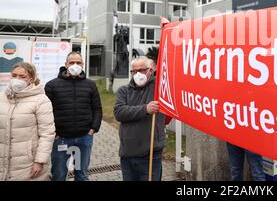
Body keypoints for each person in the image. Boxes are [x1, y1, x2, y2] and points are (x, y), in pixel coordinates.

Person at [44, 51, 102, 181]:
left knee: (82, 174)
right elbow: (45, 113)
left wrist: (93, 129)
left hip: (84, 138)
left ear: (83, 64)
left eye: (78, 62)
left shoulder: (90, 84)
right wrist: (53, 133)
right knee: (59, 174)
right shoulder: (52, 85)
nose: (75, 65)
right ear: (66, 64)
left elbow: (97, 108)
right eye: (72, 62)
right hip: (61, 139)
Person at [0, 62, 55, 181]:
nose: (16, 79)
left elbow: (47, 133)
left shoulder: (41, 100)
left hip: (27, 165)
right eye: (14, 75)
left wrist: (39, 161)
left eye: (22, 76)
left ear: (31, 78)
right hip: (3, 163)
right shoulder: (2, 98)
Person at [114, 56, 166, 181]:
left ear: (151, 70)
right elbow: (119, 112)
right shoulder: (123, 91)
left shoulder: (159, 88)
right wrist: (145, 109)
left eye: (142, 70)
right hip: (127, 153)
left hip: (151, 154)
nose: (138, 74)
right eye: (134, 71)